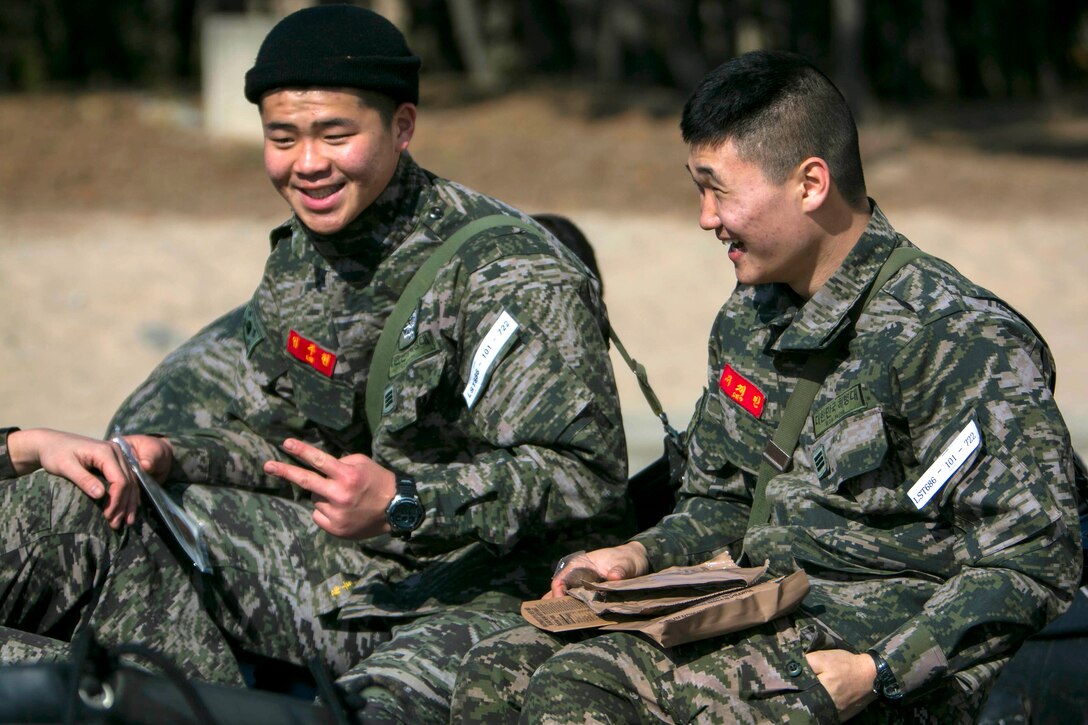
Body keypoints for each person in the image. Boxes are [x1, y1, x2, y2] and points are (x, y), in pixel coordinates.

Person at [0, 5, 630, 722]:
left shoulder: (512, 272)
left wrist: (405, 499)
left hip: (486, 591)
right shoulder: (303, 258)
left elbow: (589, 478)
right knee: (79, 511)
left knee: (366, 714)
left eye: (336, 134)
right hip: (343, 565)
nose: (307, 164)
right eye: (282, 137)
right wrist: (174, 454)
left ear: (401, 126)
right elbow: (291, 448)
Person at [449, 50, 1082, 724]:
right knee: (497, 668)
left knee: (586, 688)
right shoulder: (750, 318)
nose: (704, 217)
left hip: (882, 662)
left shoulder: (954, 336)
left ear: (810, 183)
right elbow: (724, 501)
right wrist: (637, 555)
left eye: (718, 188)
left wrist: (878, 672)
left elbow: (1033, 559)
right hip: (756, 607)